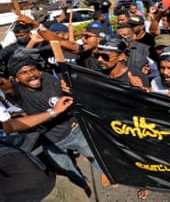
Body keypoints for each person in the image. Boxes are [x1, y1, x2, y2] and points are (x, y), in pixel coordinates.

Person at [7, 54, 110, 195]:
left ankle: (104, 172)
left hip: (74, 130)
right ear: (15, 78)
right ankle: (82, 183)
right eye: (24, 73)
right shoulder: (15, 90)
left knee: (93, 154)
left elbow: (67, 97)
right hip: (50, 141)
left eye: (33, 70)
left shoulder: (48, 78)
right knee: (67, 167)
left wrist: (68, 91)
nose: (31, 75)